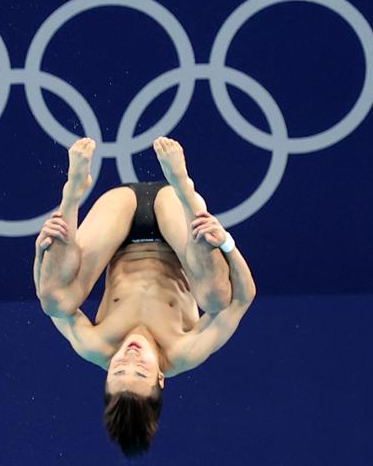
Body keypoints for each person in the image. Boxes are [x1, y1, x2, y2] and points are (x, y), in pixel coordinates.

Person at [33, 136, 256, 458]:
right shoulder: (185, 351)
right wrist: (226, 243)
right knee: (218, 299)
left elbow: (49, 301)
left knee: (56, 300)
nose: (129, 360)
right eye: (140, 373)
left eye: (117, 371)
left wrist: (41, 252)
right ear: (160, 378)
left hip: (117, 219)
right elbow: (243, 299)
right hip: (176, 221)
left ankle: (71, 195)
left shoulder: (95, 346)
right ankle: (187, 188)